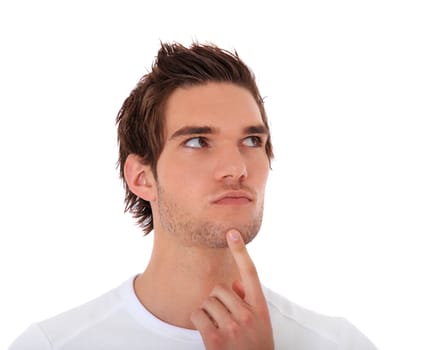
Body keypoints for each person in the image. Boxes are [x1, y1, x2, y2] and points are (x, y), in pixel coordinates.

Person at [9, 42, 377, 350]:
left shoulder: (340, 343)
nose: (236, 168)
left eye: (252, 140)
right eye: (198, 141)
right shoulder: (51, 345)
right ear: (142, 177)